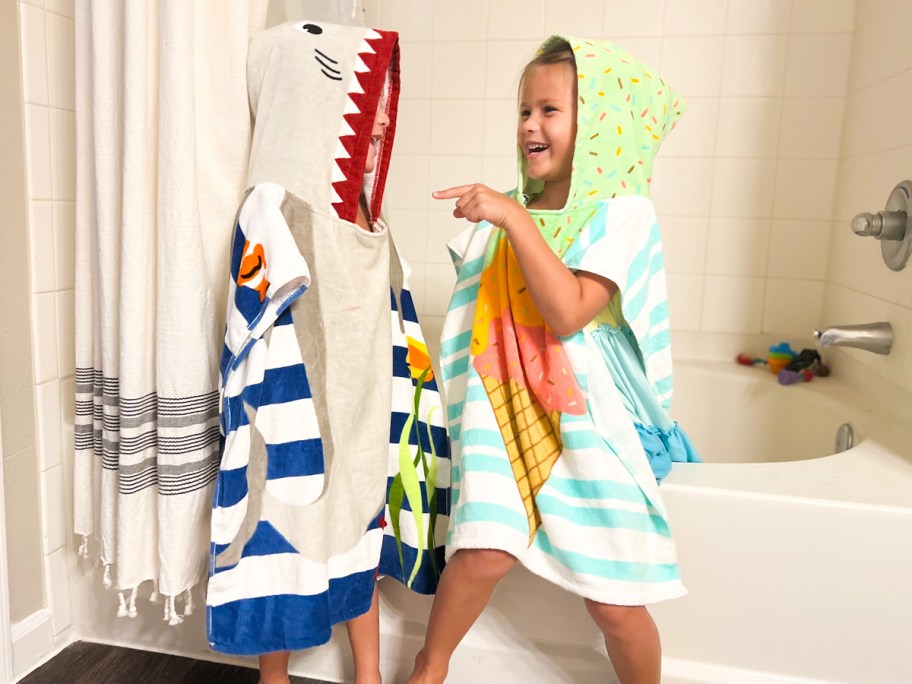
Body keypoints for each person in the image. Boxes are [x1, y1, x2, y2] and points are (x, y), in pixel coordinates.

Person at [407, 35, 700, 684]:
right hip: (504, 410)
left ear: (597, 126)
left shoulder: (622, 213)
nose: (529, 125)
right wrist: (511, 218)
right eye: (522, 110)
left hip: (588, 421)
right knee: (481, 551)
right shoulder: (523, 210)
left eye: (549, 110)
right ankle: (429, 669)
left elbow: (569, 309)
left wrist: (512, 218)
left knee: (616, 604)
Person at [206, 21, 449, 684]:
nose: (372, 141)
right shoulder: (276, 205)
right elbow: (253, 309)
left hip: (361, 409)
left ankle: (367, 673)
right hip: (298, 418)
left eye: (379, 127)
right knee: (282, 543)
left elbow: (388, 299)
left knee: (358, 538)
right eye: (358, 123)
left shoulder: (367, 216)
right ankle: (274, 673)